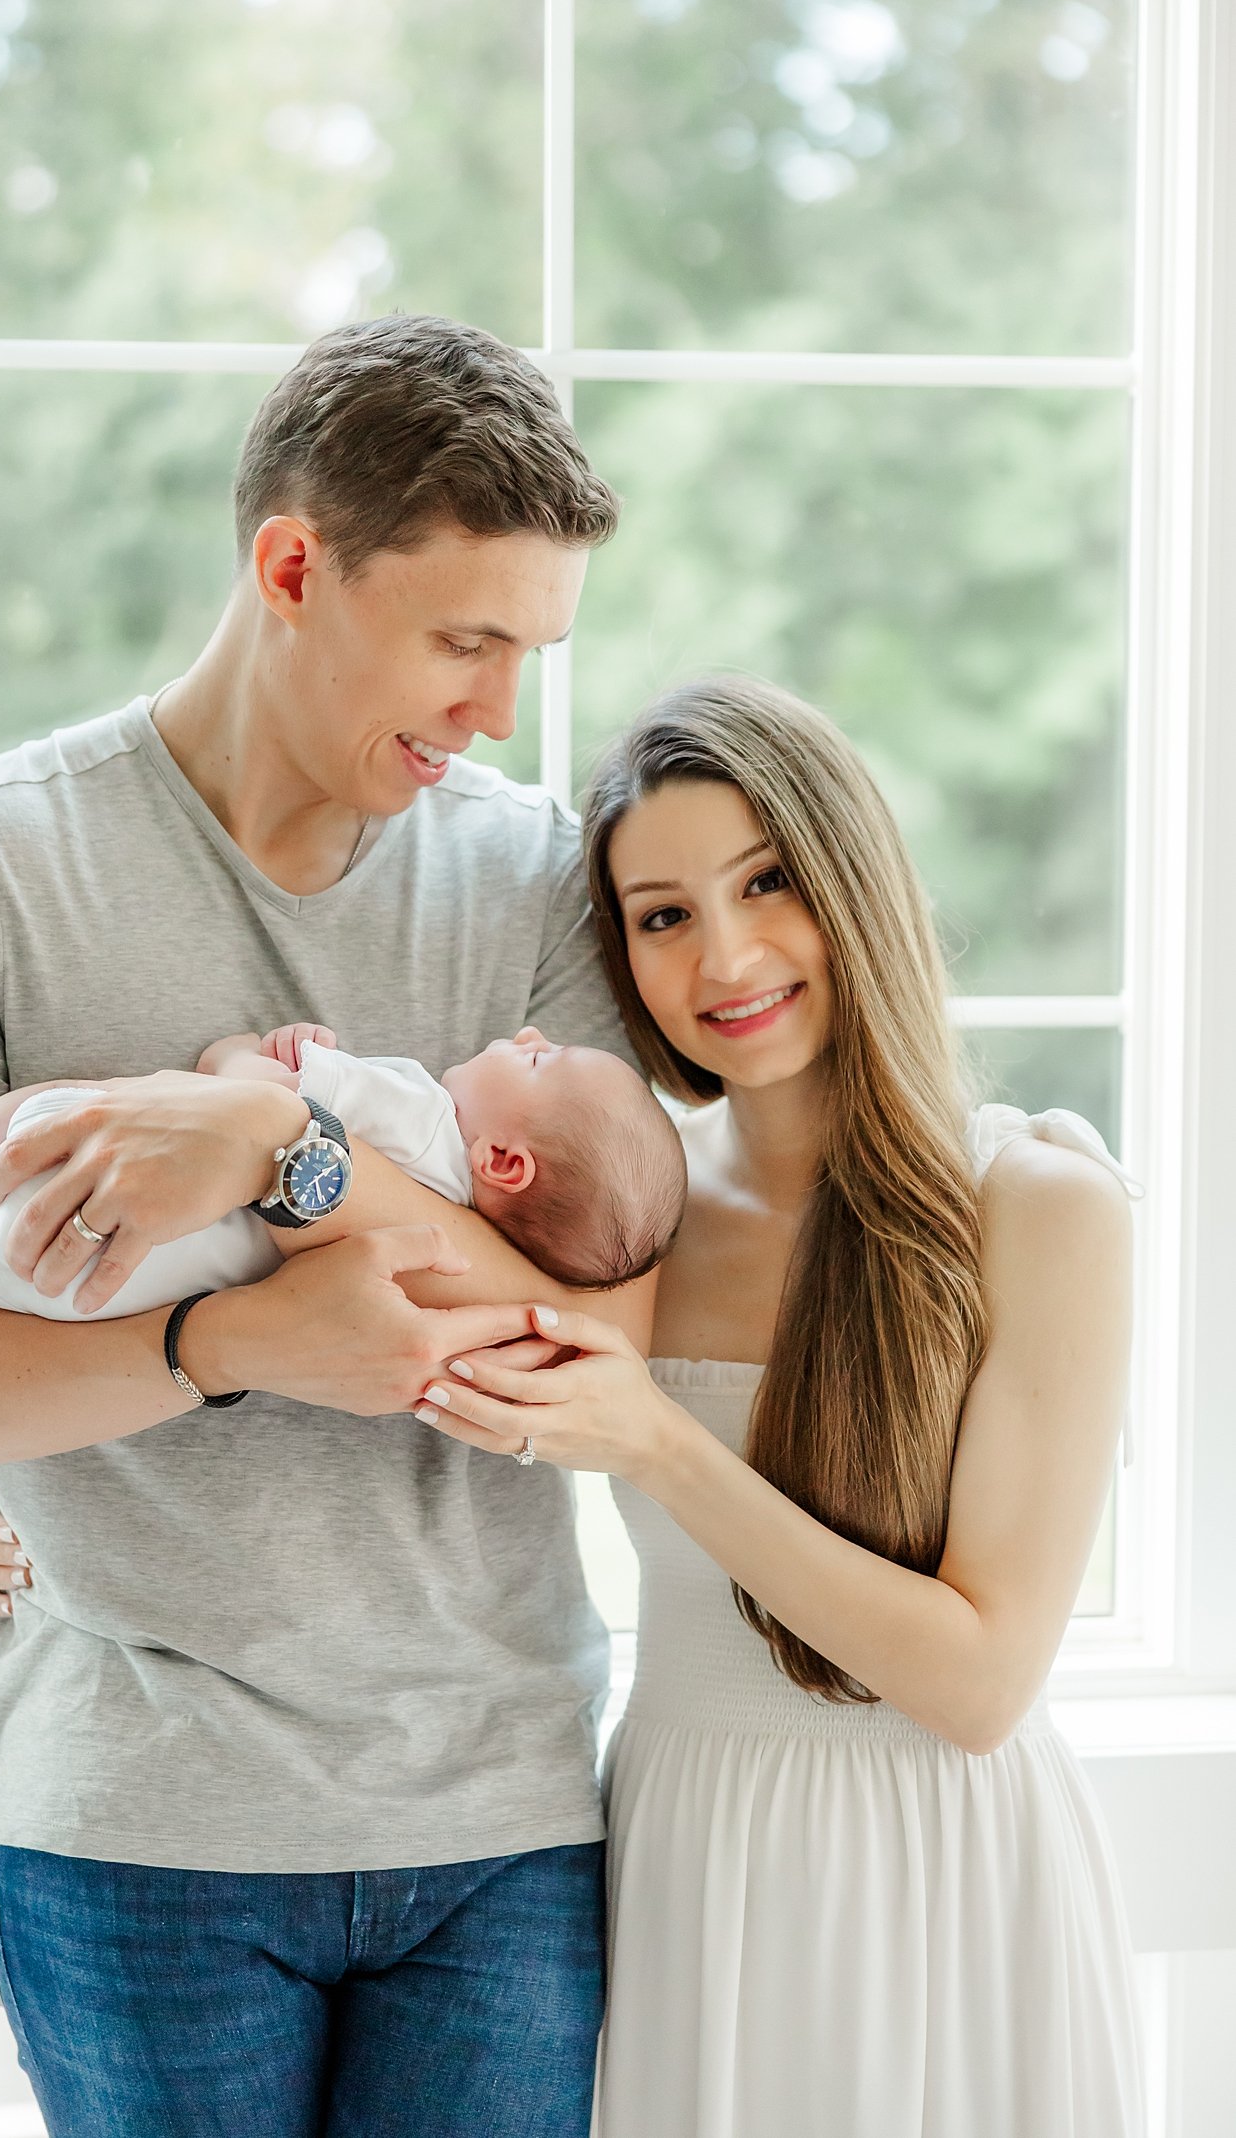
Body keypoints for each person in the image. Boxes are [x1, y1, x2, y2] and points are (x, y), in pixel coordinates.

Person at [0, 315, 649, 2138]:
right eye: (465, 641)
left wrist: (280, 1147)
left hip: (500, 1819)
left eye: (527, 653)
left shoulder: (532, 880)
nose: (497, 708)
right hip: (136, 1820)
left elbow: (613, 1333)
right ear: (289, 569)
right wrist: (218, 1347)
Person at [393, 675, 1144, 2137]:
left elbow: (981, 1682)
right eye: (662, 914)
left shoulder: (1039, 1204)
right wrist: (25, 1526)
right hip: (689, 1854)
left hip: (946, 1872)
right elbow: (371, 1360)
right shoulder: (624, 1215)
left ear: (850, 878)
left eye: (766, 881)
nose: (723, 952)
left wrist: (660, 1440)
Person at [0, 1017, 685, 1308]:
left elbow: (248, 1096)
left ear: (503, 1160)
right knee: (6, 1278)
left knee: (44, 1104)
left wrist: (251, 1052)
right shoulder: (447, 1255)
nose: (527, 1034)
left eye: (539, 1060)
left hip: (73, 1171)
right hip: (101, 1291)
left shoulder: (417, 1114)